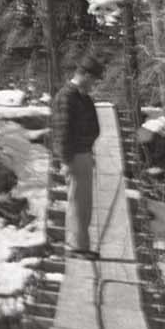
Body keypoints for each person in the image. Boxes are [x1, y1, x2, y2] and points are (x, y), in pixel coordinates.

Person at [54, 50, 103, 257]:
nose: (94, 84)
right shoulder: (67, 96)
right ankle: (76, 247)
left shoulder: (82, 97)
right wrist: (66, 160)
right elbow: (62, 130)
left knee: (84, 204)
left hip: (84, 155)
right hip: (74, 157)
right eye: (93, 80)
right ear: (85, 75)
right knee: (77, 202)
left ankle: (81, 245)